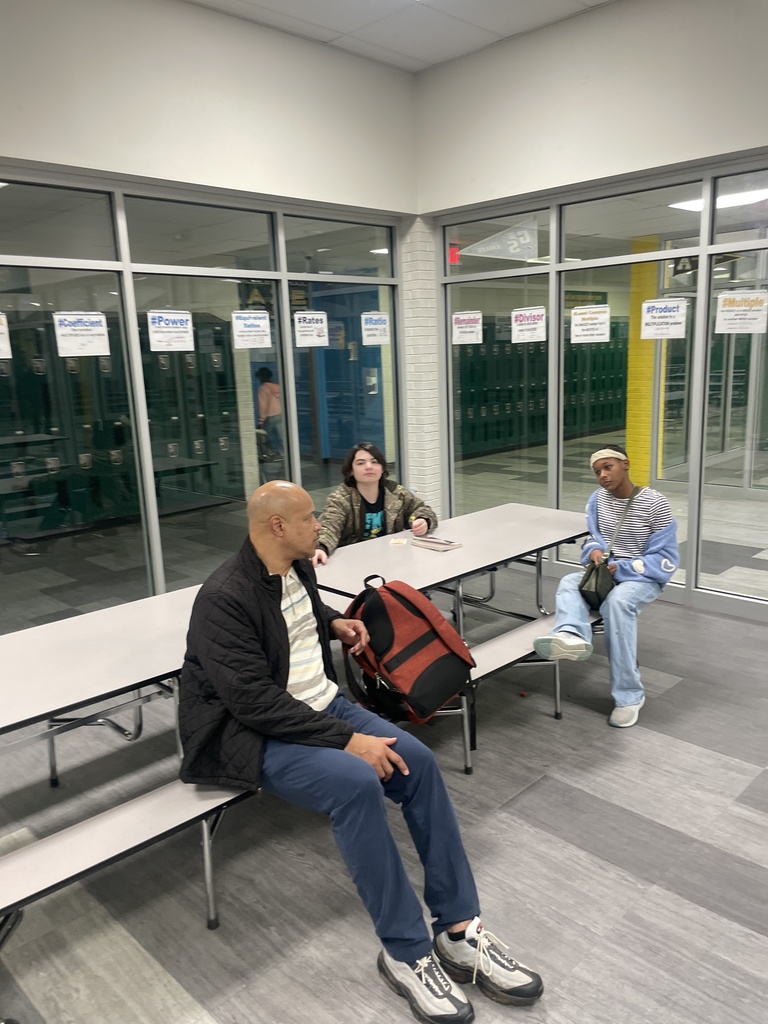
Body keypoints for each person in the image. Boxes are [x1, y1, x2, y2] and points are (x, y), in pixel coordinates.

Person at [178, 480, 544, 1023]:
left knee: (416, 762)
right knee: (354, 784)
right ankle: (405, 953)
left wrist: (334, 622)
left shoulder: (294, 566)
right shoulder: (224, 597)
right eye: (306, 519)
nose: (316, 527)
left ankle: (459, 929)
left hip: (319, 706)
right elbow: (252, 702)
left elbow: (296, 614)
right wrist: (350, 740)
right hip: (252, 732)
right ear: (276, 526)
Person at [533, 444, 678, 728]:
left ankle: (629, 697)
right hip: (606, 573)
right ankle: (570, 636)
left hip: (642, 578)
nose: (602, 475)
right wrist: (595, 552)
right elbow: (594, 538)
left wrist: (622, 567)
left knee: (617, 604)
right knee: (568, 582)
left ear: (626, 464)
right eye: (597, 471)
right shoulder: (597, 500)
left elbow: (666, 559)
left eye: (608, 467)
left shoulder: (655, 503)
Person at [313, 442, 437, 566]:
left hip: (392, 560)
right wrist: (321, 547)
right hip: (354, 564)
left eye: (374, 462)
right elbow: (329, 526)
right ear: (351, 470)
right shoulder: (341, 498)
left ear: (382, 468)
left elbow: (421, 510)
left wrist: (423, 520)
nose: (369, 467)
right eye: (361, 463)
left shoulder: (396, 492)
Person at [256, 366, 282, 456]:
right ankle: (283, 454)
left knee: (264, 435)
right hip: (280, 414)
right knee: (282, 436)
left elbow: (262, 405)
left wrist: (260, 421)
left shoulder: (262, 389)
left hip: (270, 416)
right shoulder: (278, 387)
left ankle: (269, 452)